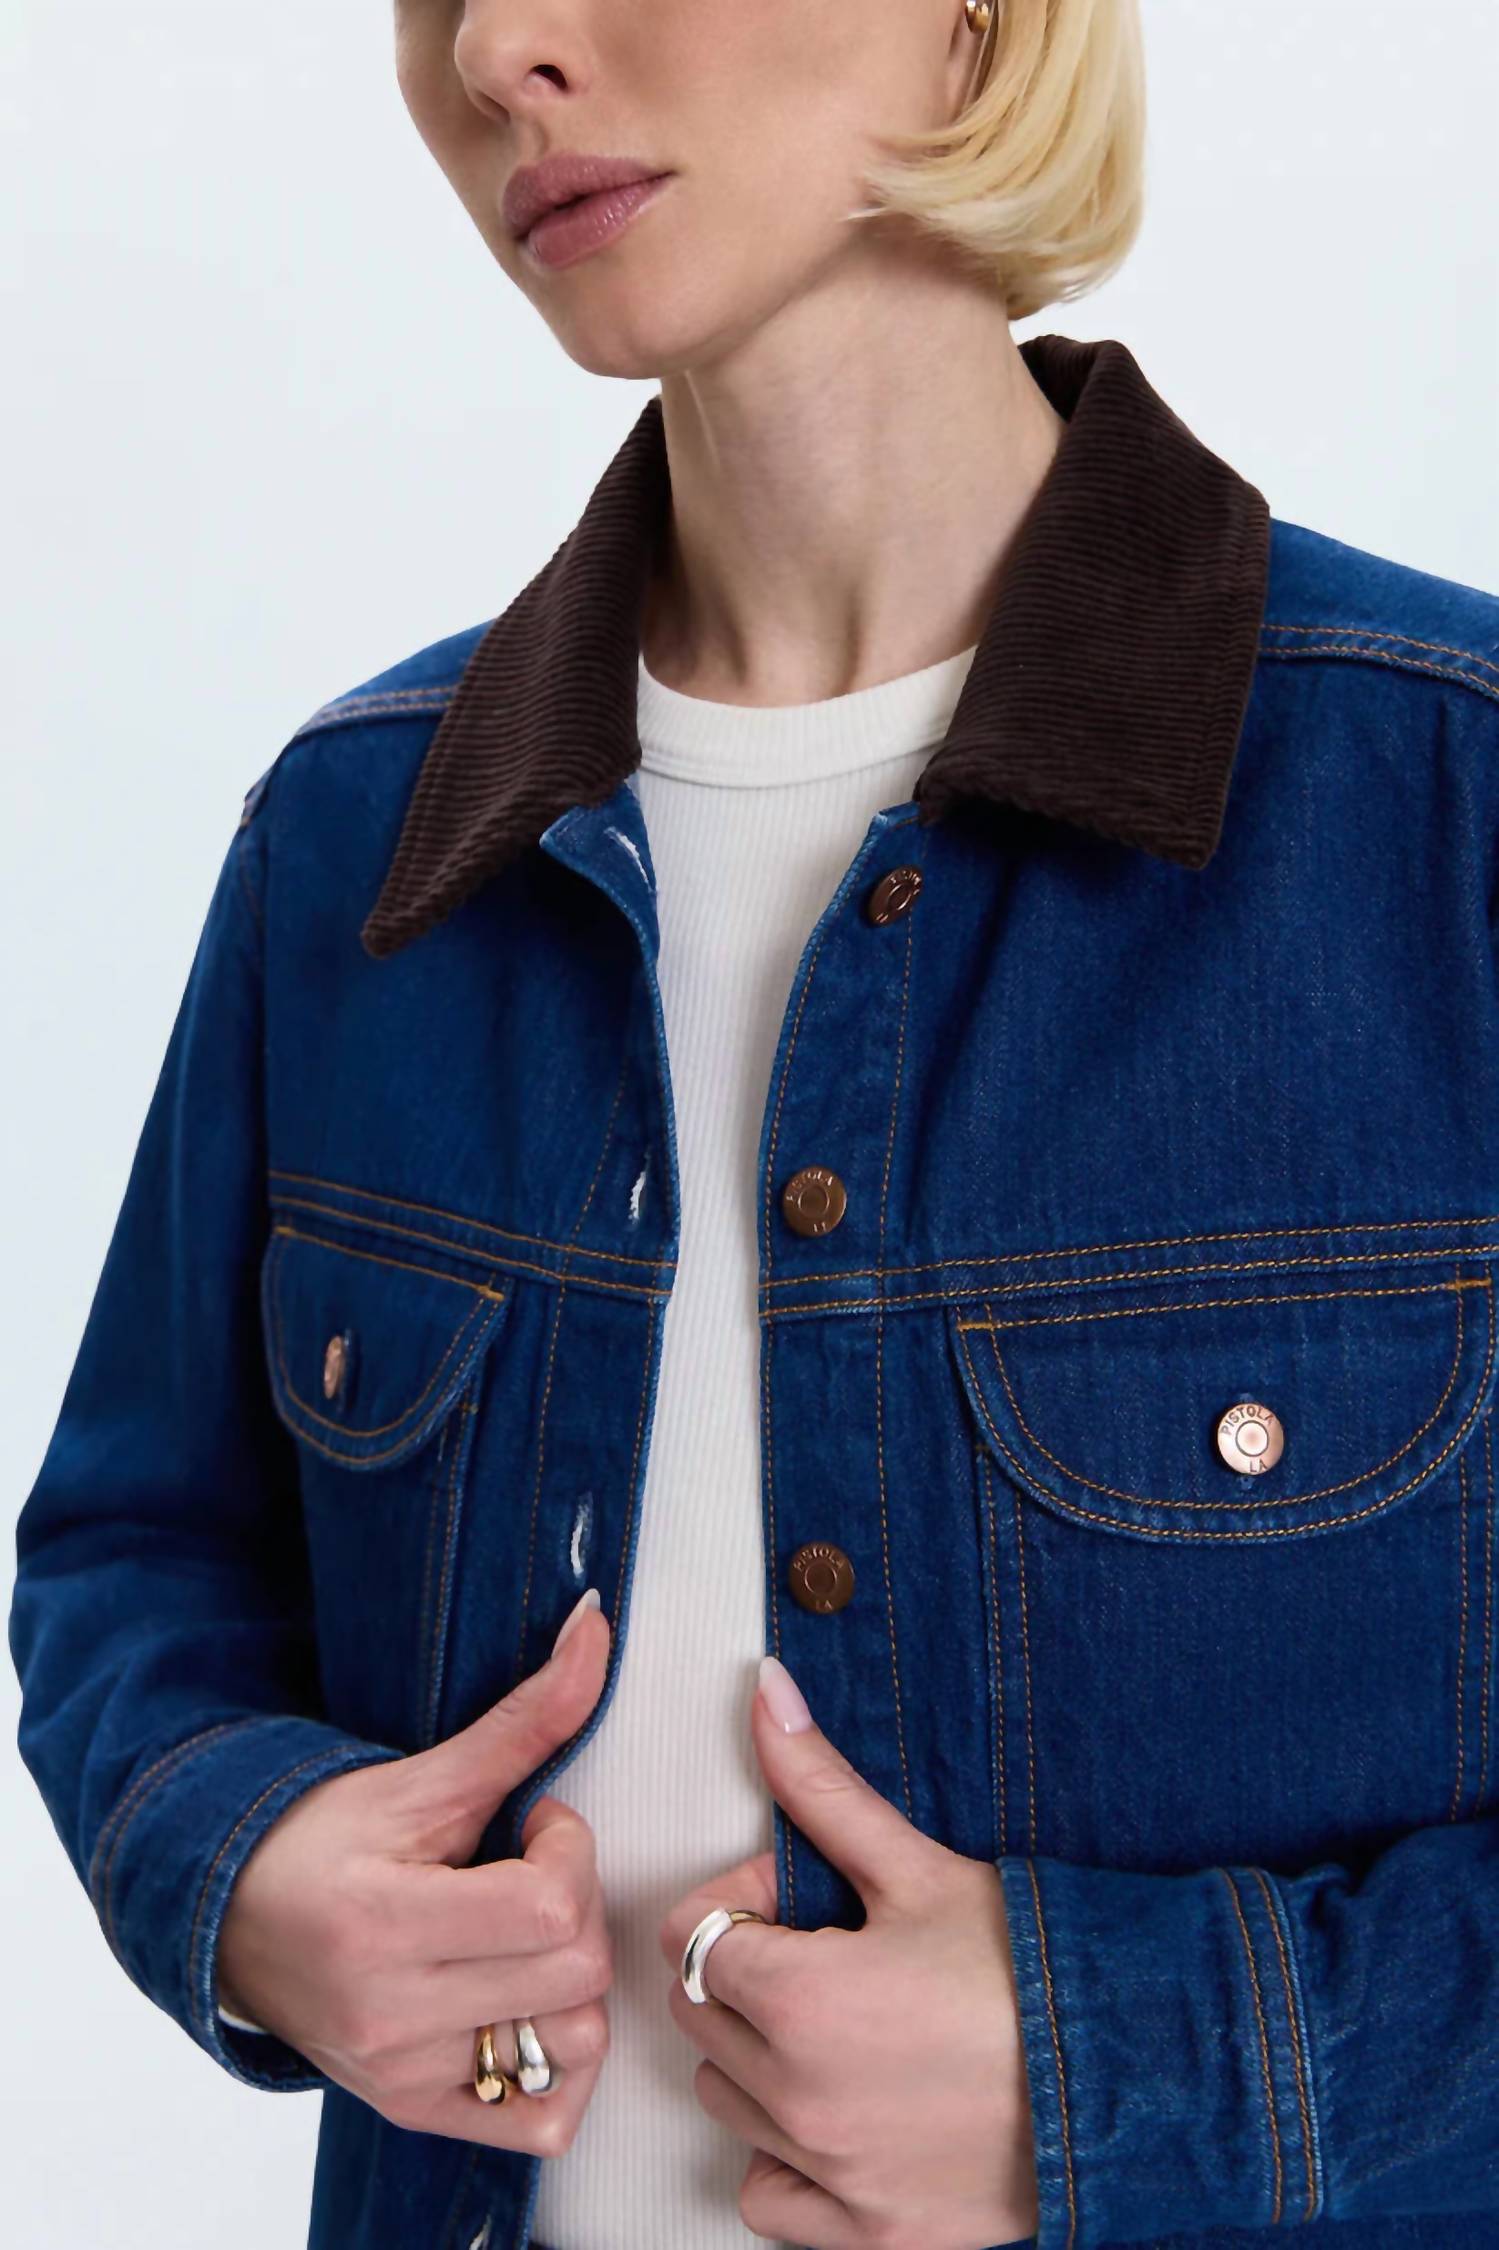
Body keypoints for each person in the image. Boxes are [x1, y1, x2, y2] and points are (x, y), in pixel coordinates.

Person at [11, 1, 1499, 2246]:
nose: (497, 48)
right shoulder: (357, 841)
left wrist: (1118, 2068)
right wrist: (248, 1872)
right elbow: (135, 1559)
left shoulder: (1451, 812)